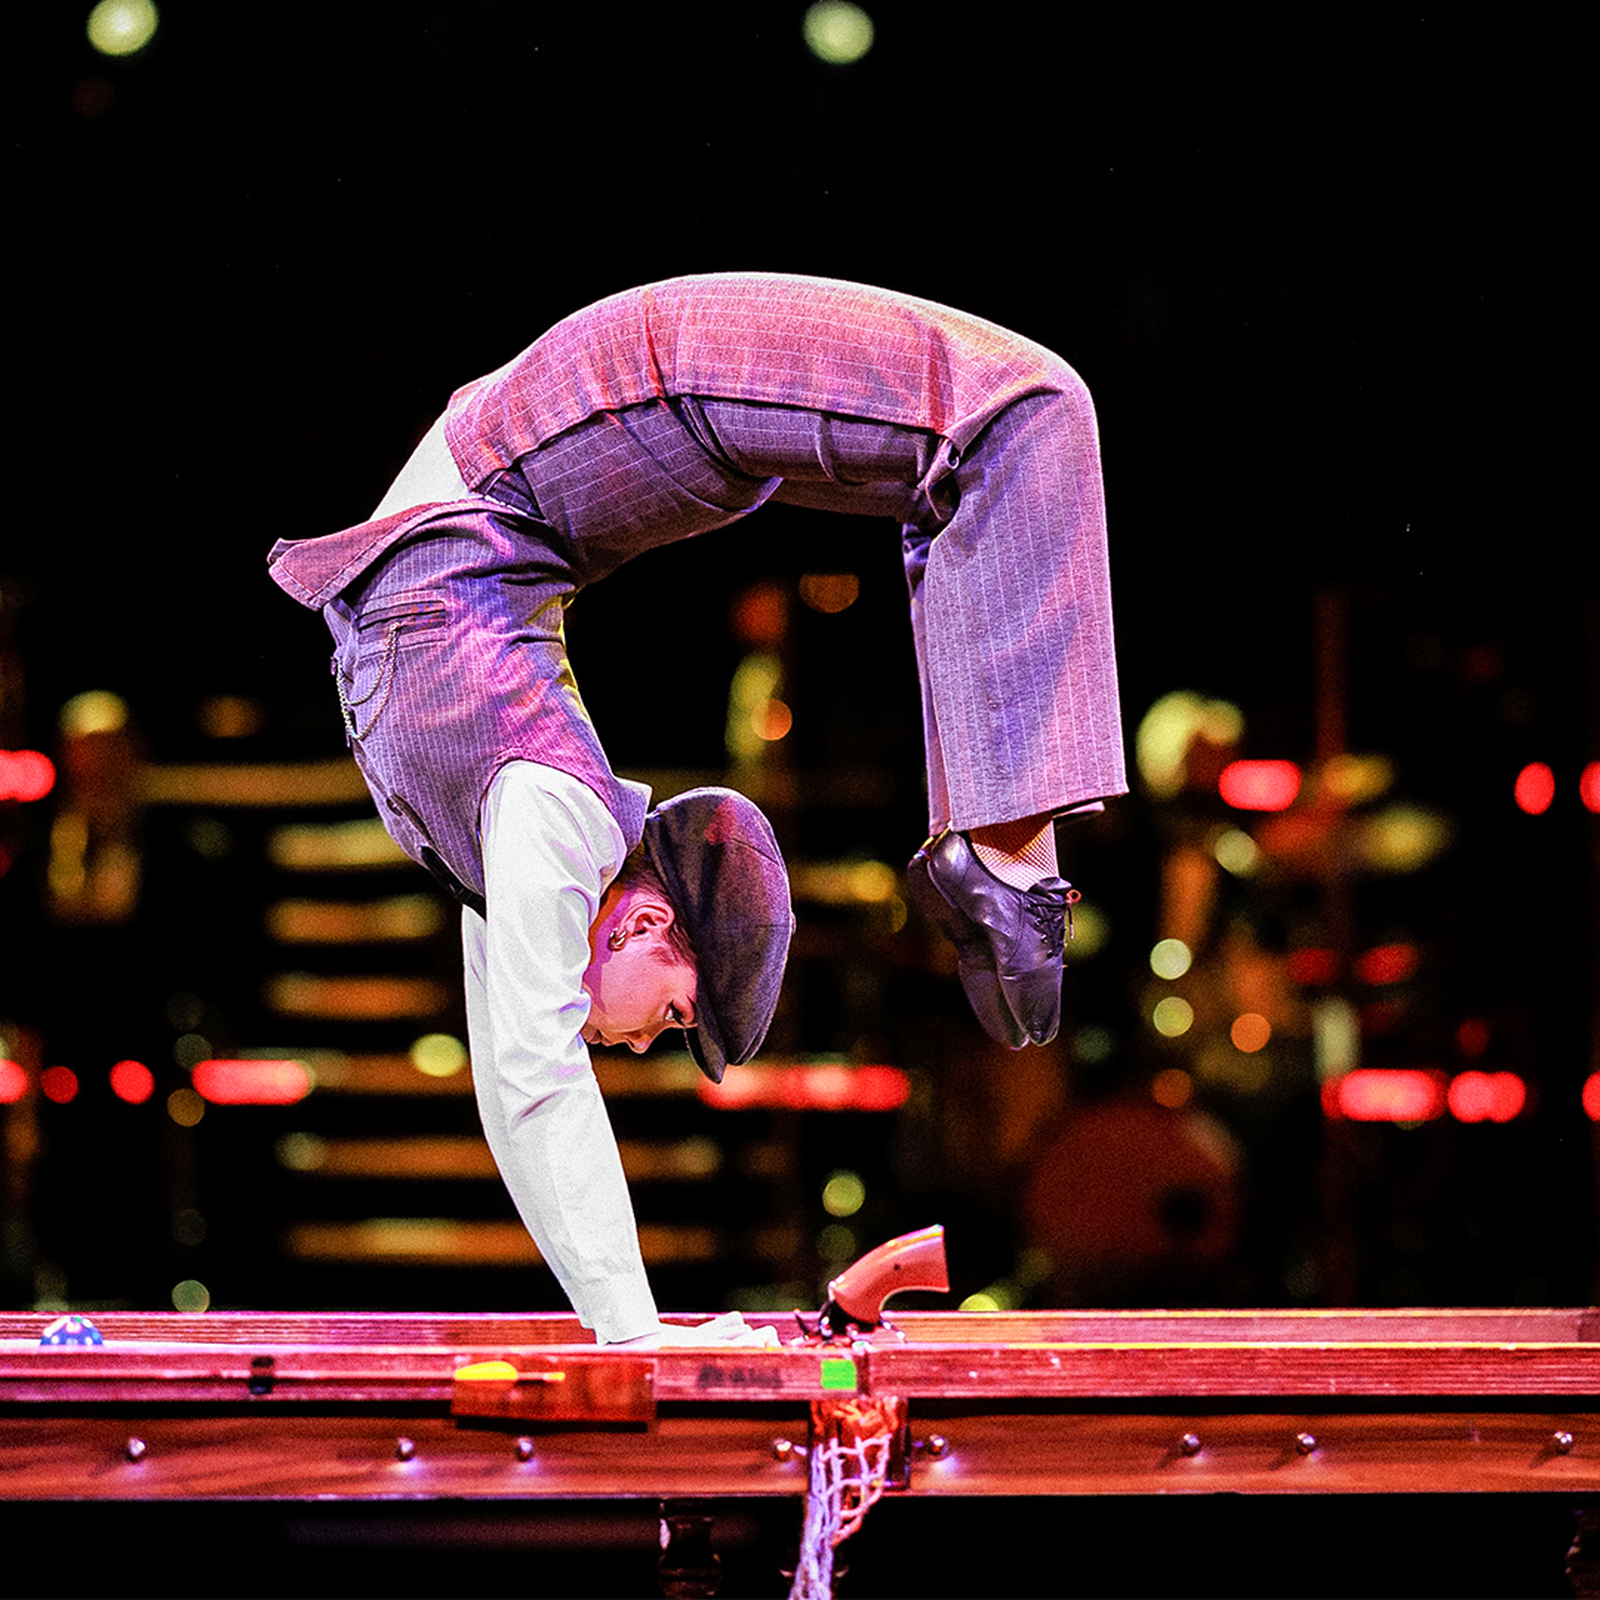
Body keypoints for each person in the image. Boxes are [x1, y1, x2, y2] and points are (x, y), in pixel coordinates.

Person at [267, 271, 1127, 1344]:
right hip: (619, 395)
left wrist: (625, 1331)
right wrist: (639, 1336)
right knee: (1019, 405)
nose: (639, 1047)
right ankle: (1004, 848)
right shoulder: (556, 813)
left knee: (983, 442)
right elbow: (537, 1079)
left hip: (576, 444)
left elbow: (509, 1090)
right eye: (676, 1016)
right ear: (645, 922)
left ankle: (996, 843)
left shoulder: (522, 838)